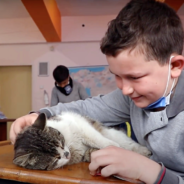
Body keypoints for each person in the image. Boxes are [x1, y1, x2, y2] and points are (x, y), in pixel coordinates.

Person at [9, 0, 184, 183]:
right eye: (116, 75)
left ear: (174, 66)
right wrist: (40, 115)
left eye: (135, 77)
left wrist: (153, 173)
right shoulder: (131, 97)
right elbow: (88, 108)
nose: (124, 89)